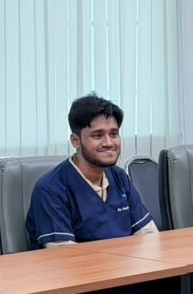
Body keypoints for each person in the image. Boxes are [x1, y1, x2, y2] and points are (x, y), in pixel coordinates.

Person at [26, 94, 158, 247]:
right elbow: (63, 254)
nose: (109, 143)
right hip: (81, 263)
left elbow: (148, 235)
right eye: (97, 135)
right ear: (76, 141)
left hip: (128, 261)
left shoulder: (119, 177)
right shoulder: (50, 189)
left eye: (114, 134)